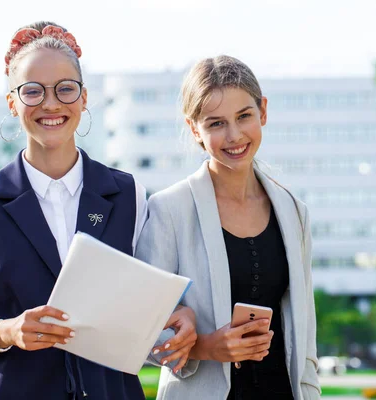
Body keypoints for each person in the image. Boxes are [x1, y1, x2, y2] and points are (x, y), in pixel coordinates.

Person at [0, 21, 195, 400]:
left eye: (65, 89)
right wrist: (7, 331)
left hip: (111, 391)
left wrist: (179, 317)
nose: (51, 104)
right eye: (33, 91)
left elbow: (148, 307)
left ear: (84, 97)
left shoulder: (127, 193)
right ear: (12, 102)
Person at [136, 55, 321, 400]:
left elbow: (305, 329)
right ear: (195, 130)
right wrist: (206, 347)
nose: (234, 135)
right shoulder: (168, 211)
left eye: (244, 116)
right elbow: (140, 329)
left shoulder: (295, 211)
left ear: (263, 111)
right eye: (216, 123)